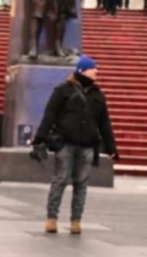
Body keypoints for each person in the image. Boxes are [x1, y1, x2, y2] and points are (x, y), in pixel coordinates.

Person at [32, 55, 117, 236]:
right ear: (82, 70)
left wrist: (111, 147)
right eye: (93, 68)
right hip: (65, 145)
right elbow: (50, 115)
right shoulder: (63, 90)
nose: (96, 71)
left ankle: (76, 221)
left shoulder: (97, 95)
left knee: (81, 184)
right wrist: (39, 138)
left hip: (87, 147)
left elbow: (104, 123)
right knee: (60, 180)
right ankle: (51, 218)